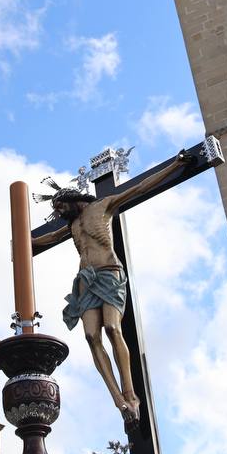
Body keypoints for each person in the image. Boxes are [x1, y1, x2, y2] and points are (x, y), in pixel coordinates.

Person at [34, 150, 196, 424]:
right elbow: (48, 236)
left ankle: (131, 394)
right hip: (85, 283)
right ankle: (118, 400)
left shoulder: (104, 205)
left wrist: (175, 166)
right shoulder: (72, 225)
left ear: (72, 200)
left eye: (61, 207)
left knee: (112, 329)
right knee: (90, 337)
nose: (59, 213)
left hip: (109, 274)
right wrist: (20, 239)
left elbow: (141, 186)